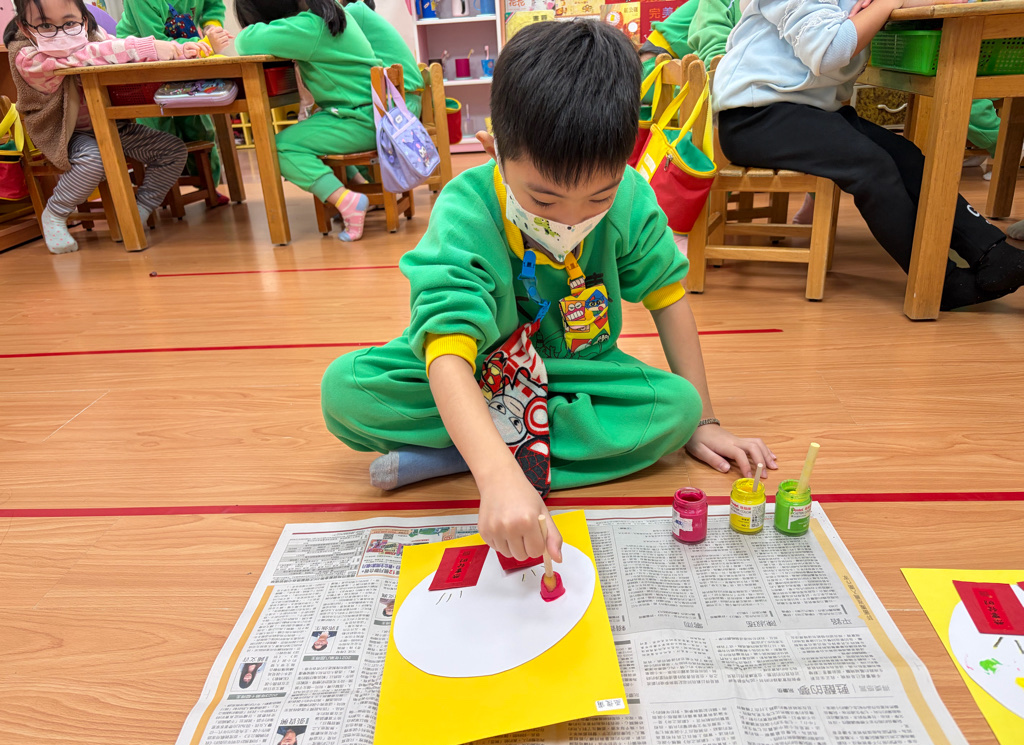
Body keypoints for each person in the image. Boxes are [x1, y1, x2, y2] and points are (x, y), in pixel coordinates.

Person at [321, 20, 775, 565]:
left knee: (677, 409)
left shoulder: (632, 196)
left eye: (598, 199)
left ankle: (464, 453)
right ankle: (499, 454)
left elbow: (668, 298)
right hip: (481, 371)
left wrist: (705, 423)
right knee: (346, 392)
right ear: (494, 150)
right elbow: (446, 349)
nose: (571, 220)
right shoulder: (467, 208)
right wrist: (497, 479)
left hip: (576, 372)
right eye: (543, 200)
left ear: (623, 164)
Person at [714, 0, 1024, 310]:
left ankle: (993, 252)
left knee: (906, 157)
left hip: (804, 112)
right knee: (873, 167)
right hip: (754, 118)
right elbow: (831, 50)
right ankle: (940, 282)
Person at [5, 0, 191, 254]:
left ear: (84, 19)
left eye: (69, 23)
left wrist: (180, 49)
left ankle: (140, 208)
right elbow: (83, 57)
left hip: (111, 126)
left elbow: (113, 48)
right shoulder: (26, 56)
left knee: (173, 150)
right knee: (93, 159)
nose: (60, 33)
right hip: (66, 134)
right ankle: (56, 212)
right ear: (25, 28)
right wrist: (148, 47)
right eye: (46, 26)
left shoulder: (93, 35)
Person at [234, 0, 378, 242]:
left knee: (277, 147)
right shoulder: (328, 16)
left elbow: (244, 42)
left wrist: (254, 28)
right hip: (367, 114)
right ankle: (355, 185)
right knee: (311, 128)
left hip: (358, 119)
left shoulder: (307, 27)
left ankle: (347, 200)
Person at [115, 0, 228, 195]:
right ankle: (163, 194)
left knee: (200, 127)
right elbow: (155, 43)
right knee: (159, 133)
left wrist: (212, 26)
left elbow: (213, 5)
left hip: (185, 60)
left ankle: (208, 187)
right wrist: (205, 45)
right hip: (141, 65)